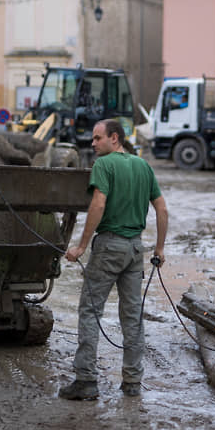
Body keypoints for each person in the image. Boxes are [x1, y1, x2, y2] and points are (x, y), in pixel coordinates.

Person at [59, 119, 169, 400]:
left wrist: (82, 246)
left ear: (115, 139)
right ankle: (132, 381)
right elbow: (161, 208)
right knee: (132, 317)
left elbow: (98, 203)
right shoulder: (143, 166)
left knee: (90, 310)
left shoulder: (104, 165)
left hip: (109, 246)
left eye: (98, 138)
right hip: (135, 249)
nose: (93, 144)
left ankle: (85, 381)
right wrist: (159, 249)